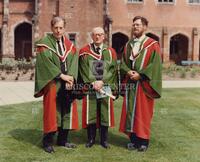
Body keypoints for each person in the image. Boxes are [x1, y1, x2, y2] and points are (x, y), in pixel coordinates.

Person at [34, 16, 79, 153]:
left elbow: (74, 62)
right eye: (56, 28)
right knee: (52, 112)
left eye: (61, 28)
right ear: (51, 28)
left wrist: (71, 78)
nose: (58, 31)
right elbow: (45, 63)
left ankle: (63, 140)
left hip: (67, 84)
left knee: (66, 111)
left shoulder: (70, 46)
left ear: (64, 28)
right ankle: (47, 141)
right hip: (52, 83)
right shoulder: (44, 44)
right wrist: (62, 76)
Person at [119, 16, 162, 152]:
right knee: (131, 111)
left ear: (145, 27)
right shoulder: (128, 45)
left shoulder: (152, 44)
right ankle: (133, 140)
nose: (135, 27)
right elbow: (123, 63)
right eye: (134, 25)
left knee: (143, 112)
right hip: (131, 83)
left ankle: (143, 141)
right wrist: (129, 72)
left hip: (144, 84)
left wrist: (141, 75)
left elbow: (155, 65)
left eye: (138, 25)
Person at [78, 27, 118, 149]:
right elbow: (83, 69)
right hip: (91, 87)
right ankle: (90, 139)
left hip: (105, 87)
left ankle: (104, 140)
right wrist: (93, 82)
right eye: (95, 34)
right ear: (92, 36)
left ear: (104, 36)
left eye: (100, 34)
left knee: (104, 113)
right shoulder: (84, 51)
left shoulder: (110, 52)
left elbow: (112, 69)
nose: (97, 37)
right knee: (92, 112)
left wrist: (102, 81)